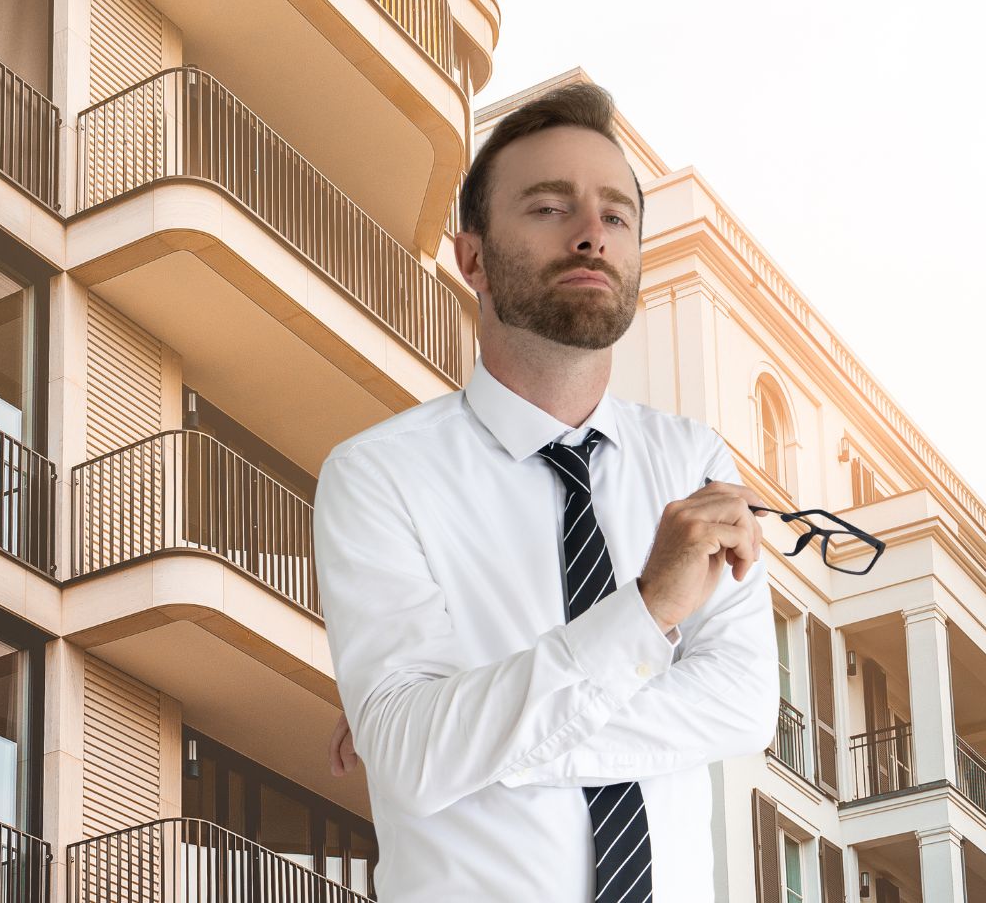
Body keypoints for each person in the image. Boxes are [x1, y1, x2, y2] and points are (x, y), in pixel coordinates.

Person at [311, 80, 779, 902]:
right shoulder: (377, 476)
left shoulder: (693, 461)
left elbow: (742, 710)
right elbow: (415, 757)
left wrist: (477, 733)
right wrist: (646, 613)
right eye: (549, 208)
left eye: (616, 215)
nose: (592, 235)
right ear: (473, 258)